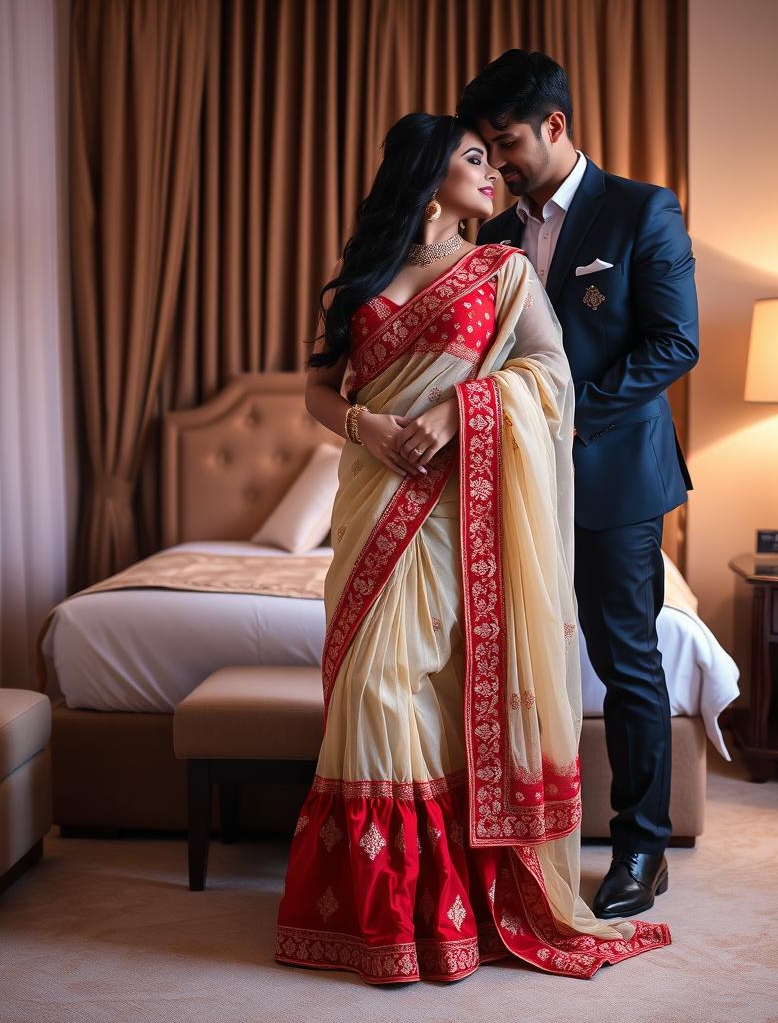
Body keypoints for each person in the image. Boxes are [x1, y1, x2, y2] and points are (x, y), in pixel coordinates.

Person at [274, 112, 670, 984]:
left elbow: (550, 376)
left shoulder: (504, 272)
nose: (492, 176)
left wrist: (461, 409)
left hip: (461, 509)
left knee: (431, 689)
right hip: (373, 503)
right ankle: (389, 913)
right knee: (374, 686)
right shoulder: (358, 279)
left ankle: (447, 905)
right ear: (427, 174)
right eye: (474, 160)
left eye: (493, 160)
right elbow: (315, 386)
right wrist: (361, 421)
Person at [459, 50, 700, 920]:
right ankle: (514, 835)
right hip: (510, 487)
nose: (496, 162)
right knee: (510, 656)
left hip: (612, 477)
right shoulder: (486, 232)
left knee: (624, 660)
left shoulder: (642, 211)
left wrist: (559, 420)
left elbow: (674, 345)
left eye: (508, 141)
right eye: (483, 148)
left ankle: (642, 847)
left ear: (555, 126)